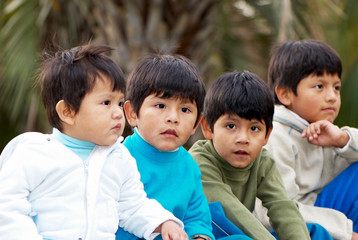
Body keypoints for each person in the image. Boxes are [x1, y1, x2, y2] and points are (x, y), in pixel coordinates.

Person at [0, 44, 188, 240]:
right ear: (67, 112)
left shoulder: (118, 157)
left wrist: (163, 222)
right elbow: (7, 206)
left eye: (119, 102)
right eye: (106, 103)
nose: (117, 112)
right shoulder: (34, 153)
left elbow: (133, 205)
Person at [189, 71, 328, 240]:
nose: (243, 139)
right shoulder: (199, 161)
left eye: (254, 128)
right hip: (204, 234)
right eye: (231, 126)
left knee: (315, 232)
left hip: (244, 231)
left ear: (267, 135)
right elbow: (230, 210)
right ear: (208, 128)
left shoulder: (262, 161)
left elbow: (282, 207)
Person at [116, 54, 238, 240]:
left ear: (196, 123)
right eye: (160, 105)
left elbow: (196, 217)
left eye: (185, 110)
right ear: (132, 113)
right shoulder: (119, 159)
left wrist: (199, 236)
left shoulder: (189, 165)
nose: (173, 118)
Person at [254, 39, 358, 240]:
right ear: (285, 94)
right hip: (285, 228)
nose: (332, 97)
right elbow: (273, 211)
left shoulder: (325, 132)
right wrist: (347, 233)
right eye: (319, 86)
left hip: (324, 218)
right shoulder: (274, 136)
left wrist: (342, 139)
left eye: (336, 87)